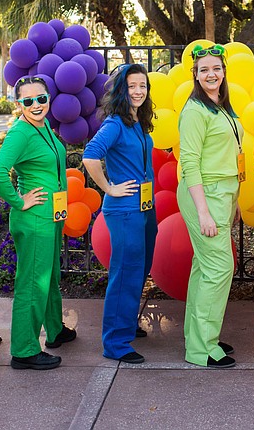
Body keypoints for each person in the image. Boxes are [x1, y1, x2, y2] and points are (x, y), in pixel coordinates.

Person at [0, 76, 73, 371]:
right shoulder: (20, 133)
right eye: (28, 101)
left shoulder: (44, 125)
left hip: (51, 215)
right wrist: (19, 200)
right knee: (32, 282)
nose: (36, 105)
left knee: (48, 277)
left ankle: (55, 329)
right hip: (34, 217)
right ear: (18, 105)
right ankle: (24, 350)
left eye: (41, 98)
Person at [83, 64, 158, 364]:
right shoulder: (114, 123)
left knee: (139, 270)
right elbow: (90, 156)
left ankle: (125, 323)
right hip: (125, 209)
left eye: (143, 85)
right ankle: (115, 342)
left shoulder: (137, 122)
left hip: (144, 207)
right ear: (120, 90)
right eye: (132, 86)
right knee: (125, 273)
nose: (138, 91)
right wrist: (109, 188)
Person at [177, 44, 240, 368]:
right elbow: (189, 163)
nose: (211, 74)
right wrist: (203, 211)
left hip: (223, 192)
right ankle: (202, 348)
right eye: (204, 70)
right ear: (196, 75)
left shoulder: (222, 106)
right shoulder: (194, 111)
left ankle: (199, 336)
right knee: (219, 269)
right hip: (206, 194)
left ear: (224, 71)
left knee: (205, 268)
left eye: (216, 68)